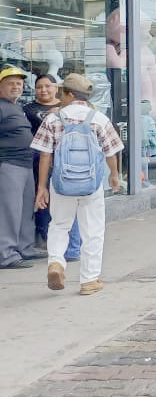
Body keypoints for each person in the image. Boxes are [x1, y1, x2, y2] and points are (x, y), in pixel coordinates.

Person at [33, 74, 124, 295]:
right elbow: (111, 153)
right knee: (92, 230)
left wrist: (42, 187)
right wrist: (114, 175)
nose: (59, 96)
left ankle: (56, 262)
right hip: (91, 185)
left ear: (69, 94)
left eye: (61, 92)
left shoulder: (53, 119)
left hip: (61, 184)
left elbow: (45, 155)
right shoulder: (99, 118)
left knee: (59, 225)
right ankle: (89, 280)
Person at [23, 74, 81, 261]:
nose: (43, 90)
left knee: (67, 203)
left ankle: (72, 246)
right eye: (39, 87)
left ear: (57, 88)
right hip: (38, 162)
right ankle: (49, 241)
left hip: (64, 162)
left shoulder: (68, 108)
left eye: (48, 86)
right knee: (43, 201)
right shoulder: (27, 109)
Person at [0, 66, 46, 269]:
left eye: (19, 83)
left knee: (26, 209)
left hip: (25, 165)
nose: (16, 87)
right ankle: (6, 255)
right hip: (8, 164)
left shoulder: (16, 107)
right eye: (10, 83)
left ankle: (25, 248)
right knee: (9, 211)